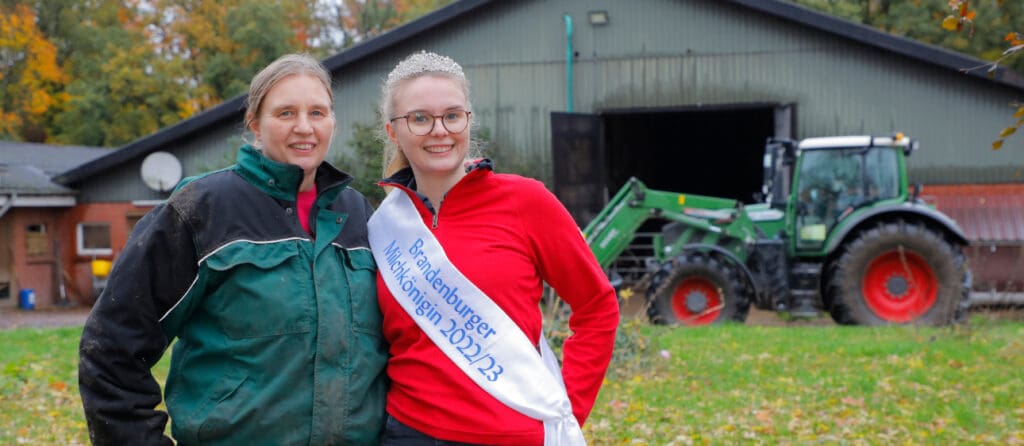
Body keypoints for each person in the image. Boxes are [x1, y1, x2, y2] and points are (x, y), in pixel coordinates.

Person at [78, 53, 388, 445]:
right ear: (254, 123)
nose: (304, 127)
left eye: (318, 112)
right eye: (286, 113)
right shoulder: (203, 209)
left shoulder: (357, 213)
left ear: (332, 122)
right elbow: (111, 350)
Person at [367, 51, 620, 445]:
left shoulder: (526, 201)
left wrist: (567, 407)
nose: (439, 130)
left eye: (452, 115)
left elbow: (597, 306)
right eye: (420, 118)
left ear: (468, 120)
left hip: (514, 434)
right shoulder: (383, 225)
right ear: (393, 131)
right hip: (408, 433)